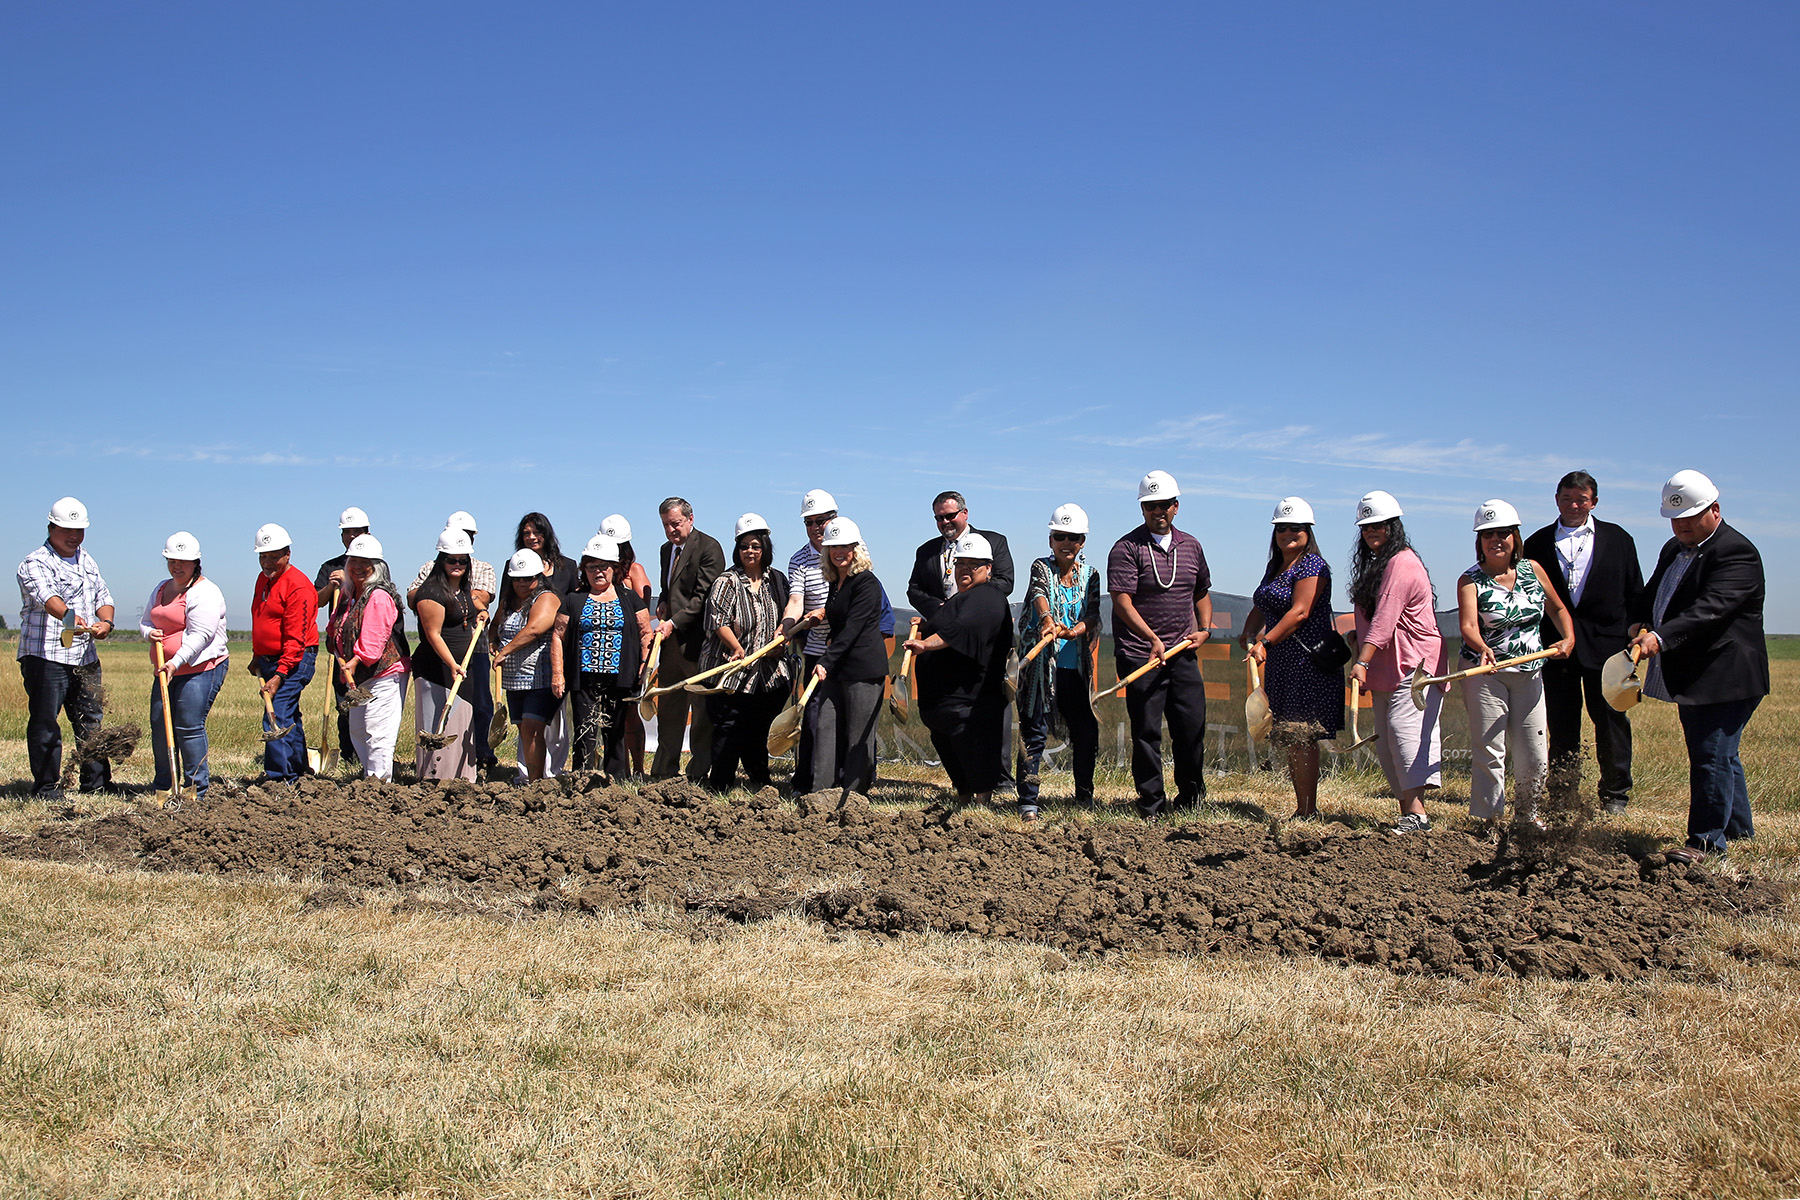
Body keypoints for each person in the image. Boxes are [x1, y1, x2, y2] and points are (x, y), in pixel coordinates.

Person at [1631, 471, 1769, 863]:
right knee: (1718, 753)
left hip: (1727, 676)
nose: (1683, 527)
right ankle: (1739, 830)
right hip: (1695, 676)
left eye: (1691, 519)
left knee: (1711, 753)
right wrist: (1639, 622)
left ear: (1715, 510)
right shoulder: (1674, 549)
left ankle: (1706, 843)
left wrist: (1659, 637)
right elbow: (1653, 592)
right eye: (1677, 521)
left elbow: (1710, 610)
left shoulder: (1736, 552)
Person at [1522, 472, 1644, 815]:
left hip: (1610, 648)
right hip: (1557, 648)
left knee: (1612, 720)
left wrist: (1637, 634)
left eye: (1582, 499)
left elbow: (1635, 590)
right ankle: (1563, 794)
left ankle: (1615, 794)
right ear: (1556, 499)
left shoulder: (1620, 539)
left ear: (1594, 501)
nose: (1574, 506)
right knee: (1561, 724)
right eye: (1567, 499)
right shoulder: (1536, 543)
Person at [1457, 500, 1576, 831]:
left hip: (1530, 672)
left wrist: (1568, 638)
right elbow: (1468, 626)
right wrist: (1482, 647)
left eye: (1504, 533)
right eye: (1488, 534)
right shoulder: (1469, 580)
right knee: (1490, 748)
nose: (1496, 540)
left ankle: (1527, 815)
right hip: (1486, 674)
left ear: (1515, 537)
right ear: (1479, 541)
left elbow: (1557, 608)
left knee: (1534, 750)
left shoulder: (1533, 570)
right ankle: (1488, 819)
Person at [1106, 470, 1213, 819]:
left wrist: (1205, 629)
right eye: (1151, 505)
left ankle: (1192, 798)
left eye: (1164, 505)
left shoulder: (1192, 546)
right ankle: (1151, 803)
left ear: (1176, 506)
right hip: (1141, 655)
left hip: (1183, 651)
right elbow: (1122, 602)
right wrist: (1151, 638)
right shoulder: (1126, 548)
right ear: (1142, 508)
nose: (1158, 511)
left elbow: (1201, 593)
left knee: (1191, 726)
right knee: (1147, 732)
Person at [1347, 491, 1446, 834]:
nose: (1372, 531)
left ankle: (1417, 815)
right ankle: (1409, 812)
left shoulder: (1401, 563)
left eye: (1379, 524)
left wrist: (1361, 660)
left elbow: (1387, 617)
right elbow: (1375, 618)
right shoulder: (1380, 564)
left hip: (1413, 664)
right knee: (1389, 740)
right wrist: (1359, 643)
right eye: (1366, 526)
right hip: (1387, 665)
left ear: (1394, 525)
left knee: (1404, 733)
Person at [1239, 497, 1344, 821]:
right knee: (1290, 736)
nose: (1288, 533)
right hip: (1283, 663)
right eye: (1281, 528)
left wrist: (1265, 641)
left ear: (1308, 531)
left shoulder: (1313, 566)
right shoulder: (1277, 567)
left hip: (1307, 664)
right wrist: (1249, 632)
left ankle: (1307, 811)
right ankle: (1302, 807)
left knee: (1303, 736)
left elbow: (1299, 612)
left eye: (1295, 528)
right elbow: (1264, 602)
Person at [908, 490, 1017, 794]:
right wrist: (941, 612)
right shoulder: (927, 551)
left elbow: (1005, 582)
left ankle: (998, 783)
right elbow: (914, 590)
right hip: (945, 654)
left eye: (950, 515)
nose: (945, 522)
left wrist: (963, 608)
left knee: (986, 723)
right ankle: (967, 787)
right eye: (939, 517)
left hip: (978, 644)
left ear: (965, 514)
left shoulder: (993, 543)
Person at [15, 497, 117, 799]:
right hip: (46, 656)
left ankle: (96, 784)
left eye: (79, 530)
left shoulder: (87, 560)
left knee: (91, 719)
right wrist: (75, 619)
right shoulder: (34, 563)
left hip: (84, 655)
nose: (74, 536)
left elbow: (104, 595)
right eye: (67, 530)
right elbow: (49, 600)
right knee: (46, 721)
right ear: (51, 527)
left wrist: (106, 623)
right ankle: (47, 787)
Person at [1015, 504, 1102, 819]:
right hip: (1041, 670)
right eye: (1059, 536)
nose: (1066, 543)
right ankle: (1028, 801)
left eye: (1073, 537)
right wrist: (1047, 619)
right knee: (1033, 731)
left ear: (1082, 542)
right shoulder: (1041, 567)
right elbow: (1039, 593)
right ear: (1051, 539)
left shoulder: (1091, 575)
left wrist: (1076, 630)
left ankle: (1084, 796)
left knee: (1086, 731)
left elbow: (1093, 612)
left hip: (1073, 669)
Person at [700, 514, 794, 792]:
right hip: (730, 671)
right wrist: (736, 647)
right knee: (728, 728)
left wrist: (781, 640)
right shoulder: (726, 581)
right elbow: (717, 620)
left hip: (767, 673)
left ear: (765, 547)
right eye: (744, 547)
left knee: (757, 729)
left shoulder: (776, 581)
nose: (750, 552)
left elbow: (786, 615)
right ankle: (721, 784)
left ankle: (759, 781)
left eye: (755, 546)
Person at [407, 511, 499, 776]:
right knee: (437, 719)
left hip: (467, 661)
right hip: (439, 667)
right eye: (451, 559)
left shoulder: (467, 583)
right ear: (441, 559)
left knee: (466, 717)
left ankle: (464, 775)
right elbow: (432, 631)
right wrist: (452, 664)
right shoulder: (433, 589)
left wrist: (480, 611)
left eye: (462, 559)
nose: (457, 563)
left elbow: (478, 600)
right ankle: (434, 777)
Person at [554, 536, 653, 779]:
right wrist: (558, 673)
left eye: (604, 566)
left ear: (614, 569)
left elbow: (645, 633)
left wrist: (644, 666)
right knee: (584, 731)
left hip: (620, 678)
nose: (598, 572)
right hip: (584, 679)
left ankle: (615, 782)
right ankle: (583, 779)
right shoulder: (573, 600)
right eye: (592, 567)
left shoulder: (630, 598)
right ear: (584, 569)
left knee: (615, 731)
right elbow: (557, 636)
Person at [139, 533, 230, 798]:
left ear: (196, 562)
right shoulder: (160, 588)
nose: (177, 566)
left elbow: (200, 636)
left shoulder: (206, 592)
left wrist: (174, 663)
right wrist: (148, 634)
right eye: (172, 560)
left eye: (183, 561)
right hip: (166, 671)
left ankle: (196, 788)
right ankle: (165, 786)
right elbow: (146, 621)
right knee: (160, 723)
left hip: (200, 668)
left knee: (188, 725)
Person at [811, 518, 887, 800]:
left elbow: (855, 627)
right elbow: (841, 626)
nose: (839, 552)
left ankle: (854, 797)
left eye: (845, 546)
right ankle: (822, 794)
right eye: (833, 547)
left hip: (864, 671)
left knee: (858, 736)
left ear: (856, 549)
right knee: (826, 726)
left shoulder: (867, 583)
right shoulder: (836, 582)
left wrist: (826, 658)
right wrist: (831, 645)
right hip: (839, 667)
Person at [653, 498, 726, 782]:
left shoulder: (709, 548)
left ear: (690, 518)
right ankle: (664, 770)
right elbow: (669, 588)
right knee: (669, 709)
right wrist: (662, 604)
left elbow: (704, 598)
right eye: (666, 525)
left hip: (699, 645)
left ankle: (699, 772)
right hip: (670, 646)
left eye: (676, 523)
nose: (671, 530)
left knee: (702, 713)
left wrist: (673, 622)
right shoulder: (665, 551)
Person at [327, 534, 410, 782]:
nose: (358, 568)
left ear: (378, 567)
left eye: (366, 563)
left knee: (377, 731)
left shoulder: (379, 597)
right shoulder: (348, 595)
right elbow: (335, 629)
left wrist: (355, 660)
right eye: (353, 561)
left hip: (384, 673)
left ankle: (379, 782)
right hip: (360, 674)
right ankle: (369, 778)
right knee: (358, 731)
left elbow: (374, 641)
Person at [250, 523, 318, 783]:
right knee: (289, 714)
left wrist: (279, 675)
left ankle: (280, 779)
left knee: (276, 715)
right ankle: (300, 770)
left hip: (295, 659)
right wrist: (258, 654)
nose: (267, 562)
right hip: (271, 659)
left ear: (287, 554)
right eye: (262, 556)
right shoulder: (264, 579)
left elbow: (295, 638)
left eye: (273, 556)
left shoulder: (297, 586)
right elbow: (260, 616)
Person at [514, 512, 579, 776]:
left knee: (556, 714)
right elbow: (510, 602)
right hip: (525, 648)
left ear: (546, 534)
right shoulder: (515, 564)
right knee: (526, 719)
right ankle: (526, 771)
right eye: (526, 533)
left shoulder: (567, 566)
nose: (531, 537)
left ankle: (555, 768)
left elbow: (574, 604)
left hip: (558, 646)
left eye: (536, 532)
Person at [781, 488, 837, 794]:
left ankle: (847, 781)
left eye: (821, 520)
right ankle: (807, 781)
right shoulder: (799, 560)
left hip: (848, 649)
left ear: (834, 519)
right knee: (814, 717)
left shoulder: (850, 546)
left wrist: (826, 611)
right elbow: (795, 601)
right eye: (809, 522)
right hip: (817, 651)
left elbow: (857, 595)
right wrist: (785, 628)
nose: (816, 527)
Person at [491, 548, 561, 781]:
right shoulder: (509, 603)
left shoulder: (546, 599)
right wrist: (493, 641)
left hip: (538, 678)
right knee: (524, 730)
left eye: (528, 578)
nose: (522, 583)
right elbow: (496, 626)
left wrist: (505, 651)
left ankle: (536, 783)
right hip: (513, 680)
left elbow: (534, 629)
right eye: (517, 578)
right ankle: (530, 777)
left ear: (538, 577)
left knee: (533, 729)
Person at [314, 506, 372, 770]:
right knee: (343, 703)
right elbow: (316, 601)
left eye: (356, 532)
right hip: (341, 645)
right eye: (347, 532)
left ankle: (368, 754)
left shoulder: (376, 566)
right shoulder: (330, 566)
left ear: (366, 533)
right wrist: (332, 585)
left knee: (368, 701)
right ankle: (348, 754)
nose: (351, 537)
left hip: (367, 643)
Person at [598, 513, 653, 776]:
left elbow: (644, 611)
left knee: (631, 713)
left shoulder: (635, 571)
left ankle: (638, 769)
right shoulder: (595, 570)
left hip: (628, 651)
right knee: (608, 713)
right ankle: (617, 768)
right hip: (602, 649)